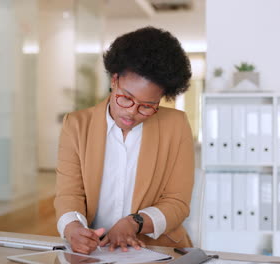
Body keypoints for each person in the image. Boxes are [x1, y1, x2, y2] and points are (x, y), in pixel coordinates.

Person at [54, 26, 194, 255]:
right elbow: (69, 194)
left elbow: (177, 202)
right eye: (126, 98)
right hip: (93, 251)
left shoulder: (175, 126)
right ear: (114, 79)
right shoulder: (77, 125)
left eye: (147, 106)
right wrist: (73, 228)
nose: (132, 112)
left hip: (157, 249)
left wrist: (134, 222)